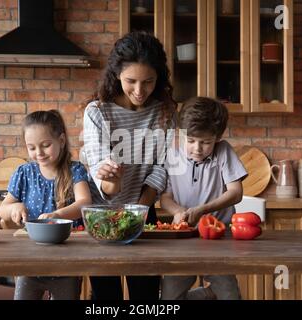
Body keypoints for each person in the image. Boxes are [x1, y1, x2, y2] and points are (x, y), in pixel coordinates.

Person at [83, 31, 177, 300]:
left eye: (148, 82)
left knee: (146, 297)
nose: (139, 91)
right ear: (116, 76)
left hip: (144, 212)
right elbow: (100, 168)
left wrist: (140, 209)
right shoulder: (97, 112)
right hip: (101, 218)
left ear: (159, 77)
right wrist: (111, 179)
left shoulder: (165, 112)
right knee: (106, 298)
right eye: (131, 81)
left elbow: (163, 166)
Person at [160, 97, 247, 300]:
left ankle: (214, 294)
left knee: (230, 296)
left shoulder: (224, 151)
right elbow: (165, 198)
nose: (197, 148)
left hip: (219, 239)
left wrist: (201, 210)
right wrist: (177, 211)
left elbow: (236, 192)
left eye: (205, 142)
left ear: (217, 137)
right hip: (183, 238)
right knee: (170, 299)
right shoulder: (172, 155)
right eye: (190, 141)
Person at [0, 110, 92, 300]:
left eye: (46, 145)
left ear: (62, 140)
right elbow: (3, 208)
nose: (38, 153)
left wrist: (57, 214)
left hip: (67, 261)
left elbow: (85, 203)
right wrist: (13, 208)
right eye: (31, 148)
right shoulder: (24, 172)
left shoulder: (75, 170)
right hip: (29, 260)